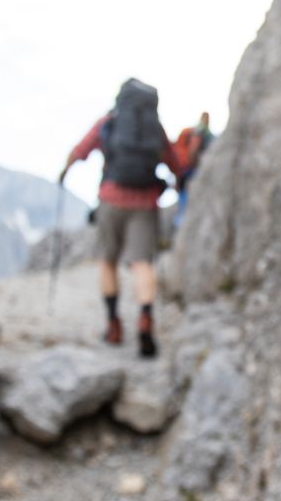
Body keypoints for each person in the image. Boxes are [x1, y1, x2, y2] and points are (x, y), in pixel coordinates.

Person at [60, 79, 187, 359]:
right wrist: (178, 183)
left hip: (111, 199)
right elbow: (175, 165)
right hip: (145, 202)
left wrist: (64, 171)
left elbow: (80, 151)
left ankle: (114, 324)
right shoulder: (155, 129)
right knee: (142, 263)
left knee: (108, 261)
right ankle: (145, 320)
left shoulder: (109, 122)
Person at [172, 112, 216, 230]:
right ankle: (182, 225)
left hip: (182, 171)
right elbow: (193, 150)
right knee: (186, 199)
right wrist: (194, 163)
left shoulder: (191, 131)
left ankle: (179, 225)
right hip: (191, 170)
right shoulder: (201, 131)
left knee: (183, 198)